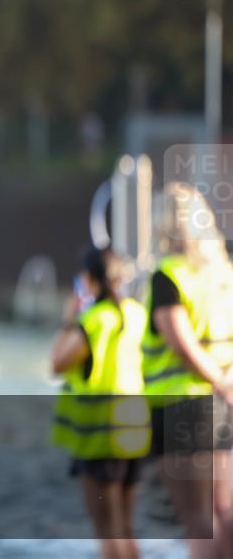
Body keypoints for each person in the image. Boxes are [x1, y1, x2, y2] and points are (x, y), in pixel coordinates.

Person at [141, 183, 233, 559]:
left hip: (184, 406)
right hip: (223, 404)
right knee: (224, 512)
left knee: (197, 518)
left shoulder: (168, 275)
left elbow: (181, 344)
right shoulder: (222, 274)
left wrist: (217, 380)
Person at [50, 246, 148, 559]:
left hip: (100, 432)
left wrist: (68, 321)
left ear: (90, 279)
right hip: (135, 425)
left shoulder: (95, 319)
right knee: (126, 527)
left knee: (106, 529)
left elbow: (58, 363)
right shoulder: (137, 313)